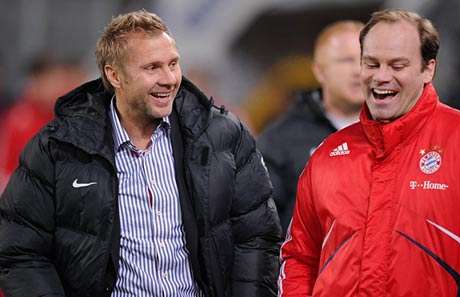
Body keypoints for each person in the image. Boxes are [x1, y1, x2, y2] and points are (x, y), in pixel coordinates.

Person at [0, 10, 281, 297]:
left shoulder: (223, 136)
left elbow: (257, 235)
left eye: (173, 64)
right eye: (152, 68)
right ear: (115, 75)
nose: (170, 78)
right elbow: (20, 251)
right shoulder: (58, 147)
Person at [278, 9, 460, 297]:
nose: (381, 77)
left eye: (397, 66)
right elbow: (299, 258)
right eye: (372, 64)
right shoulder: (327, 155)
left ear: (428, 69)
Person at [258, 21, 364, 234]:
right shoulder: (280, 140)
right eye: (346, 60)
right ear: (319, 71)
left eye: (367, 60)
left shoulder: (402, 130)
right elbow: (262, 225)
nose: (357, 70)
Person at [0, 54, 86, 191]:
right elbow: (6, 170)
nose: (56, 87)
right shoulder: (19, 119)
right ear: (36, 82)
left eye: (58, 81)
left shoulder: (68, 117)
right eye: (51, 81)